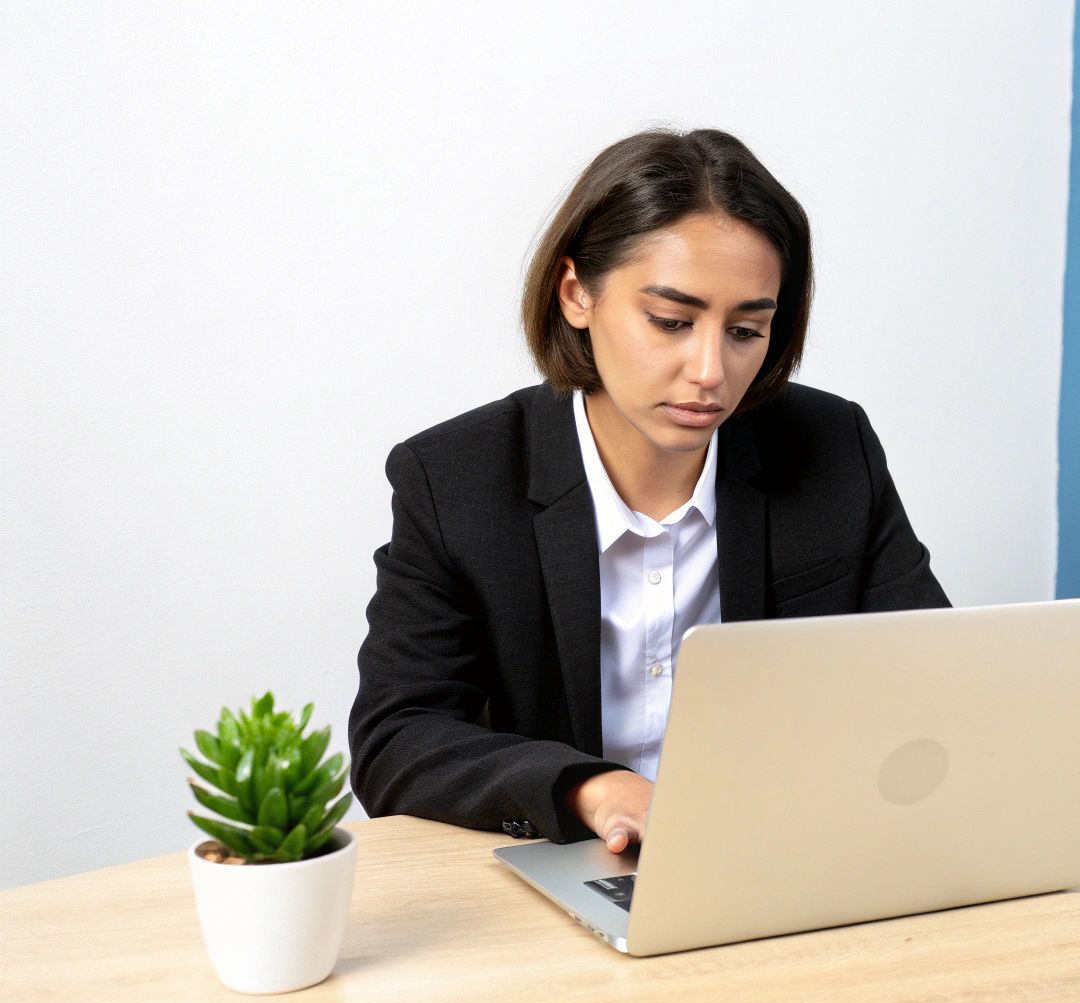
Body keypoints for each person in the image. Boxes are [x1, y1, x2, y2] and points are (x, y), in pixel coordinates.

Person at [350, 130, 949, 852]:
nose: (710, 370)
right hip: (568, 866)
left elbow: (929, 682)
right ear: (577, 295)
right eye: (671, 322)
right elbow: (397, 739)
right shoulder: (455, 479)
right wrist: (591, 787)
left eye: (746, 330)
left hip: (787, 855)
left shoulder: (831, 446)